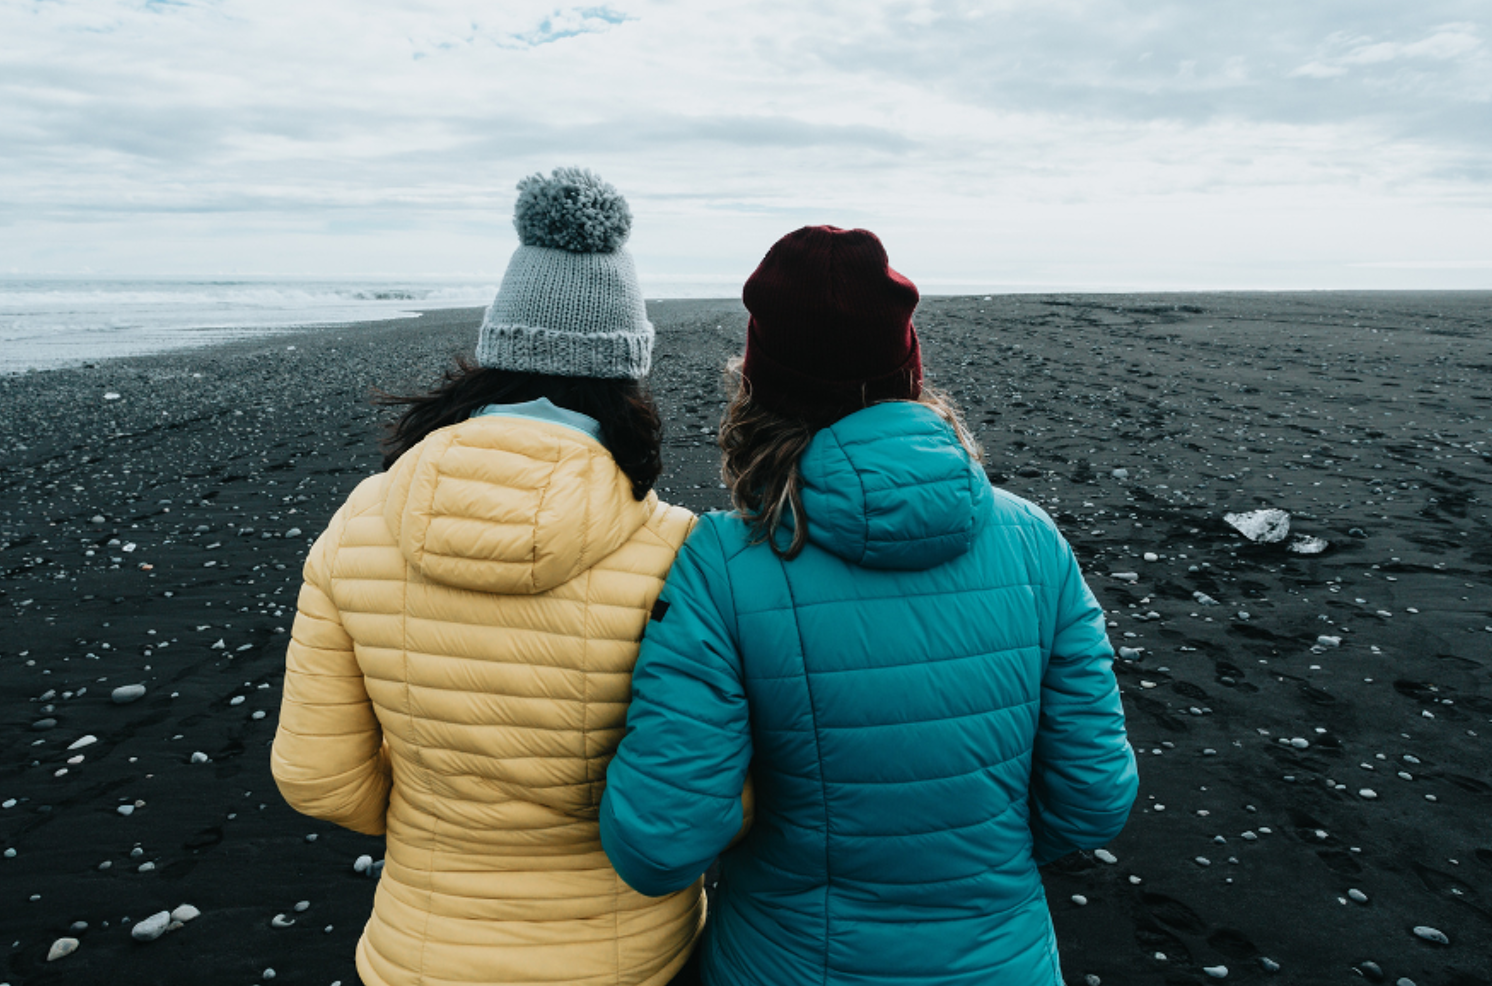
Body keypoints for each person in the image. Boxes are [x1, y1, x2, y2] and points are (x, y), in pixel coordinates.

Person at [599, 225, 1140, 985]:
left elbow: (660, 843)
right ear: (909, 370)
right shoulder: (1033, 541)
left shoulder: (725, 562)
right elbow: (1093, 798)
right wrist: (979, 860)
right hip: (1003, 959)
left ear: (758, 384)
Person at [272, 168, 706, 986]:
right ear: (626, 371)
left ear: (494, 352)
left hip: (421, 952)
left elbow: (317, 777)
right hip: (628, 955)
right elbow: (709, 792)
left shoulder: (360, 523)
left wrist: (442, 818)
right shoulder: (682, 548)